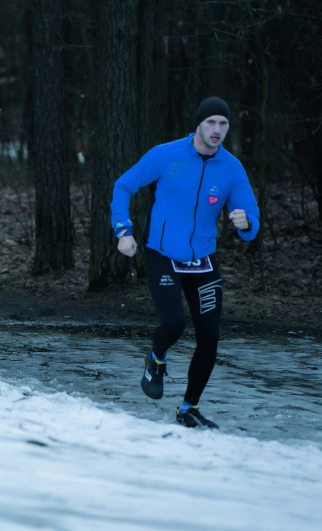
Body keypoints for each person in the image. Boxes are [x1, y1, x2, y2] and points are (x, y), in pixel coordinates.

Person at [110, 96, 259, 429]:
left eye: (223, 124)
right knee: (175, 323)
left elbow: (251, 214)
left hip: (203, 260)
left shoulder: (231, 168)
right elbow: (123, 186)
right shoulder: (166, 155)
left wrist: (246, 223)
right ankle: (156, 358)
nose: (217, 130)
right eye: (211, 123)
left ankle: (188, 408)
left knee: (209, 338)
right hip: (162, 254)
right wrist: (123, 230)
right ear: (198, 124)